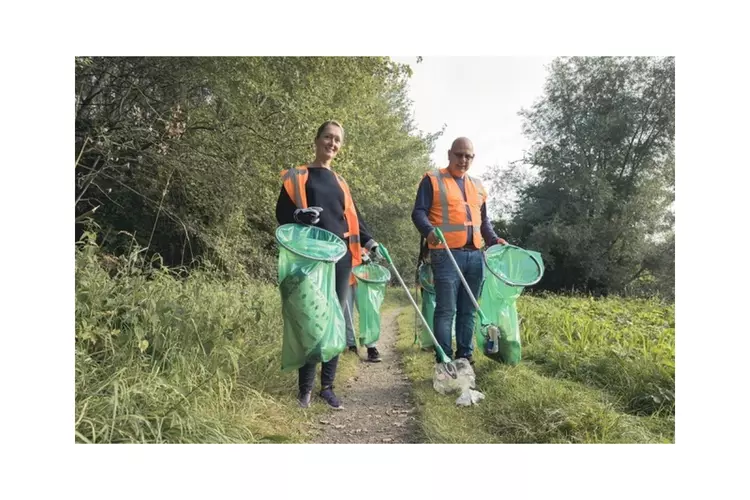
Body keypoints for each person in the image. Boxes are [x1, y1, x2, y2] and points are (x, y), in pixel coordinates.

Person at [276, 120, 380, 409]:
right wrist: (299, 215)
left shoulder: (341, 182)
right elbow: (281, 212)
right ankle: (305, 390)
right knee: (312, 320)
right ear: (317, 139)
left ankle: (328, 387)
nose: (332, 144)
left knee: (335, 319)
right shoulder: (298, 176)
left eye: (337, 140)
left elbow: (353, 218)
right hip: (311, 258)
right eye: (327, 137)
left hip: (342, 258)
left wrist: (371, 242)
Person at [411, 137, 507, 365]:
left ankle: (465, 356)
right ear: (449, 154)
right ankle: (444, 360)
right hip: (445, 254)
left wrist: (493, 239)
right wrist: (428, 230)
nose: (463, 160)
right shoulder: (432, 179)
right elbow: (418, 213)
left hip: (475, 256)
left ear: (472, 158)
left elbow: (484, 222)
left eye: (468, 156)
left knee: (469, 309)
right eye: (459, 154)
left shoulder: (478, 186)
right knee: (446, 309)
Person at [344, 249, 382, 362]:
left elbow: (367, 242)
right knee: (346, 313)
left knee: (367, 312)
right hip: (343, 274)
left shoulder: (359, 231)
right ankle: (351, 345)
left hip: (361, 275)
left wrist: (367, 254)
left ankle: (371, 347)